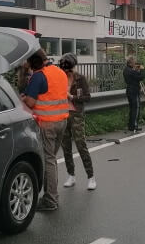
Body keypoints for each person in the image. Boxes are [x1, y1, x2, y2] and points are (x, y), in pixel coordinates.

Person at [21, 53, 69, 211]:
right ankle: (51, 196)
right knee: (51, 159)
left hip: (47, 123)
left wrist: (22, 98)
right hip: (62, 121)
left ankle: (50, 200)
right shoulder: (60, 72)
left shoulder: (39, 76)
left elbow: (30, 102)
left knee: (48, 160)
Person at [58, 53, 96, 190]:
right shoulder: (60, 78)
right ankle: (71, 175)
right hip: (63, 114)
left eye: (67, 68)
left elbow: (87, 97)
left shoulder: (80, 79)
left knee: (81, 145)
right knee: (66, 146)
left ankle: (91, 177)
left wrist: (72, 97)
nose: (65, 70)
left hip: (76, 114)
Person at [123, 55, 144, 133]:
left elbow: (135, 76)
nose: (135, 63)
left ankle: (131, 126)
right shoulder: (131, 71)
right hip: (134, 91)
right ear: (131, 62)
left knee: (132, 108)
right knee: (136, 108)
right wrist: (141, 70)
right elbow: (140, 77)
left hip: (129, 90)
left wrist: (136, 70)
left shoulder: (126, 70)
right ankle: (134, 125)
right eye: (134, 61)